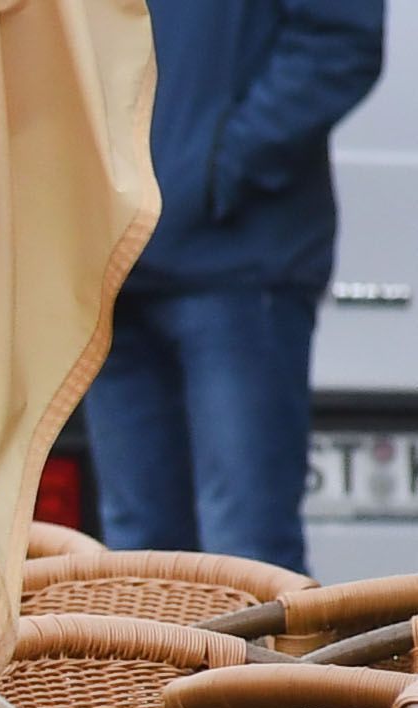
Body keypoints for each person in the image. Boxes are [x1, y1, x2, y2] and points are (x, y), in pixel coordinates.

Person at [85, 0, 386, 569]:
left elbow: (341, 42)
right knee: (139, 566)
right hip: (115, 265)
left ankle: (258, 664)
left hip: (237, 268)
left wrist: (220, 167)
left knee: (246, 555)